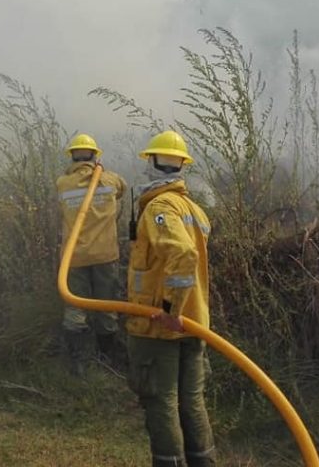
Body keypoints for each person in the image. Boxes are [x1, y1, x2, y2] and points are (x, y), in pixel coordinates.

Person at [125, 130, 217, 467]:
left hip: (159, 327)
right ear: (182, 165)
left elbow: (183, 254)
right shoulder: (195, 210)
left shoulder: (159, 207)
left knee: (160, 400)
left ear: (151, 162)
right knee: (191, 402)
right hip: (194, 324)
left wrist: (168, 309)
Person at [57, 133, 127, 376]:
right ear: (95, 156)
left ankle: (78, 364)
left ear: (72, 156)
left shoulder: (63, 183)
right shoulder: (110, 180)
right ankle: (107, 357)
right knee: (106, 306)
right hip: (105, 255)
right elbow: (122, 188)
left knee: (75, 308)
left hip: (74, 257)